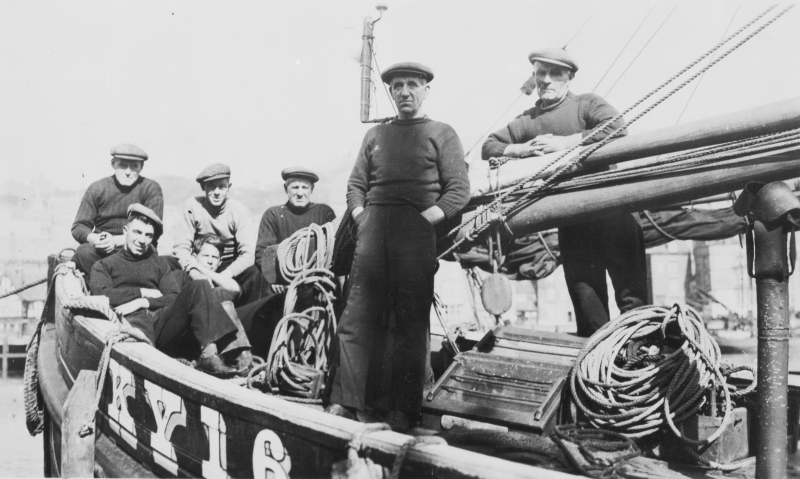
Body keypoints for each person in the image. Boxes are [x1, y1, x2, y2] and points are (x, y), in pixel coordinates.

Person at [326, 62, 470, 431]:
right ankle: (346, 400)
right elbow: (356, 185)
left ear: (425, 89)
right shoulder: (376, 135)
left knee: (410, 323)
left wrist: (424, 221)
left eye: (412, 85)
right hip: (373, 228)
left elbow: (459, 190)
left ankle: (404, 409)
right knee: (356, 316)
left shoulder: (442, 133)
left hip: (416, 230)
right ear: (390, 92)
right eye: (398, 86)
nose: (405, 92)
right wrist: (361, 217)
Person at [481, 47, 647, 337]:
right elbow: (489, 146)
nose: (546, 80)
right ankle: (598, 369)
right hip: (572, 224)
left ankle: (641, 364)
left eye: (555, 73)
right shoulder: (527, 122)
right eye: (540, 73)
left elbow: (617, 128)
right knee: (588, 310)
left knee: (633, 303)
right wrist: (519, 149)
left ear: (568, 78)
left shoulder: (586, 104)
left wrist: (567, 143)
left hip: (613, 214)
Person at [90, 204, 252, 377]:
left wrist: (142, 302)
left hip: (162, 324)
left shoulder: (159, 264)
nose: (142, 240)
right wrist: (141, 293)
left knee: (200, 285)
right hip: (132, 326)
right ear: (125, 231)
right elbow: (103, 295)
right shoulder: (104, 265)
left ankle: (210, 357)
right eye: (137, 232)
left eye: (148, 235)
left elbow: (172, 297)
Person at [172, 163, 260, 306]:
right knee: (168, 264)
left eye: (222, 186)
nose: (217, 192)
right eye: (212, 186)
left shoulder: (238, 211)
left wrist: (222, 276)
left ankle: (247, 316)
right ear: (203, 187)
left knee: (254, 273)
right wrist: (195, 272)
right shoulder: (192, 206)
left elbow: (248, 254)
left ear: (229, 187)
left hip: (229, 264)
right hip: (198, 262)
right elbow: (181, 247)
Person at [72, 144, 164, 277]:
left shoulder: (150, 189)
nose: (128, 171)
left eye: (134, 166)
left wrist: (116, 240)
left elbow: (154, 229)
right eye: (122, 165)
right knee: (83, 253)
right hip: (102, 251)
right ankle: (105, 287)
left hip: (139, 248)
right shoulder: (97, 188)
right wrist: (96, 239)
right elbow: (79, 226)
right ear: (113, 164)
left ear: (141, 167)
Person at [254, 167, 335, 295]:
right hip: (283, 284)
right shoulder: (273, 214)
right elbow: (262, 253)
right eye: (295, 187)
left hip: (318, 282)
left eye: (305, 187)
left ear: (312, 189)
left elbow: (335, 250)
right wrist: (275, 279)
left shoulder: (324, 213)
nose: (300, 193)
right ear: (286, 189)